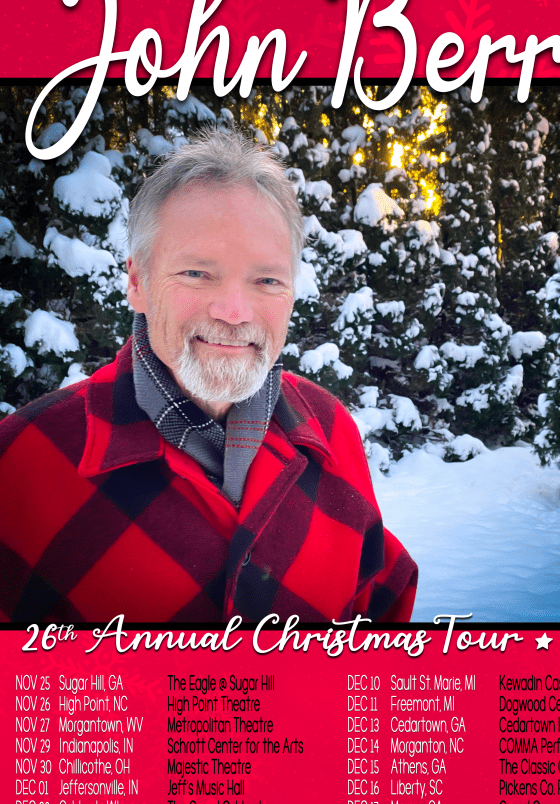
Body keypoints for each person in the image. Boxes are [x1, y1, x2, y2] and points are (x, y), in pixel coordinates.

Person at [0, 131, 417, 624]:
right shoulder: (21, 463)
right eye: (198, 273)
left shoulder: (329, 429)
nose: (235, 312)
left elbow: (381, 611)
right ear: (138, 282)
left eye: (266, 280)